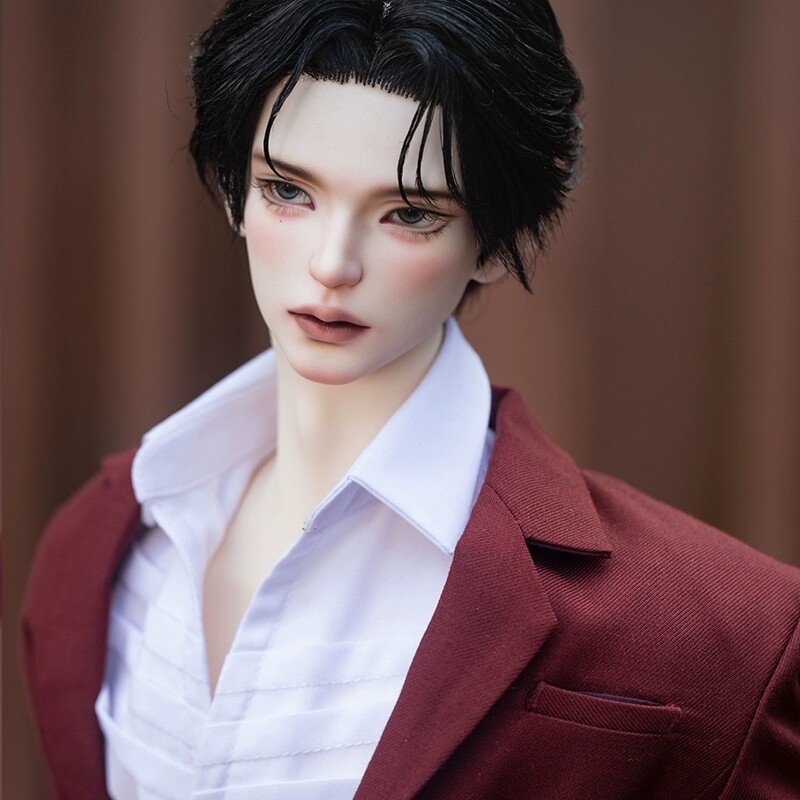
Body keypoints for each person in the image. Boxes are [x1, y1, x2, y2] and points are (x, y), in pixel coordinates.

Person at [21, 1, 800, 798]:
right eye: (287, 190)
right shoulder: (102, 550)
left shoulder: (718, 630)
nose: (333, 264)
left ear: (496, 241)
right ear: (234, 191)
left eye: (410, 213)